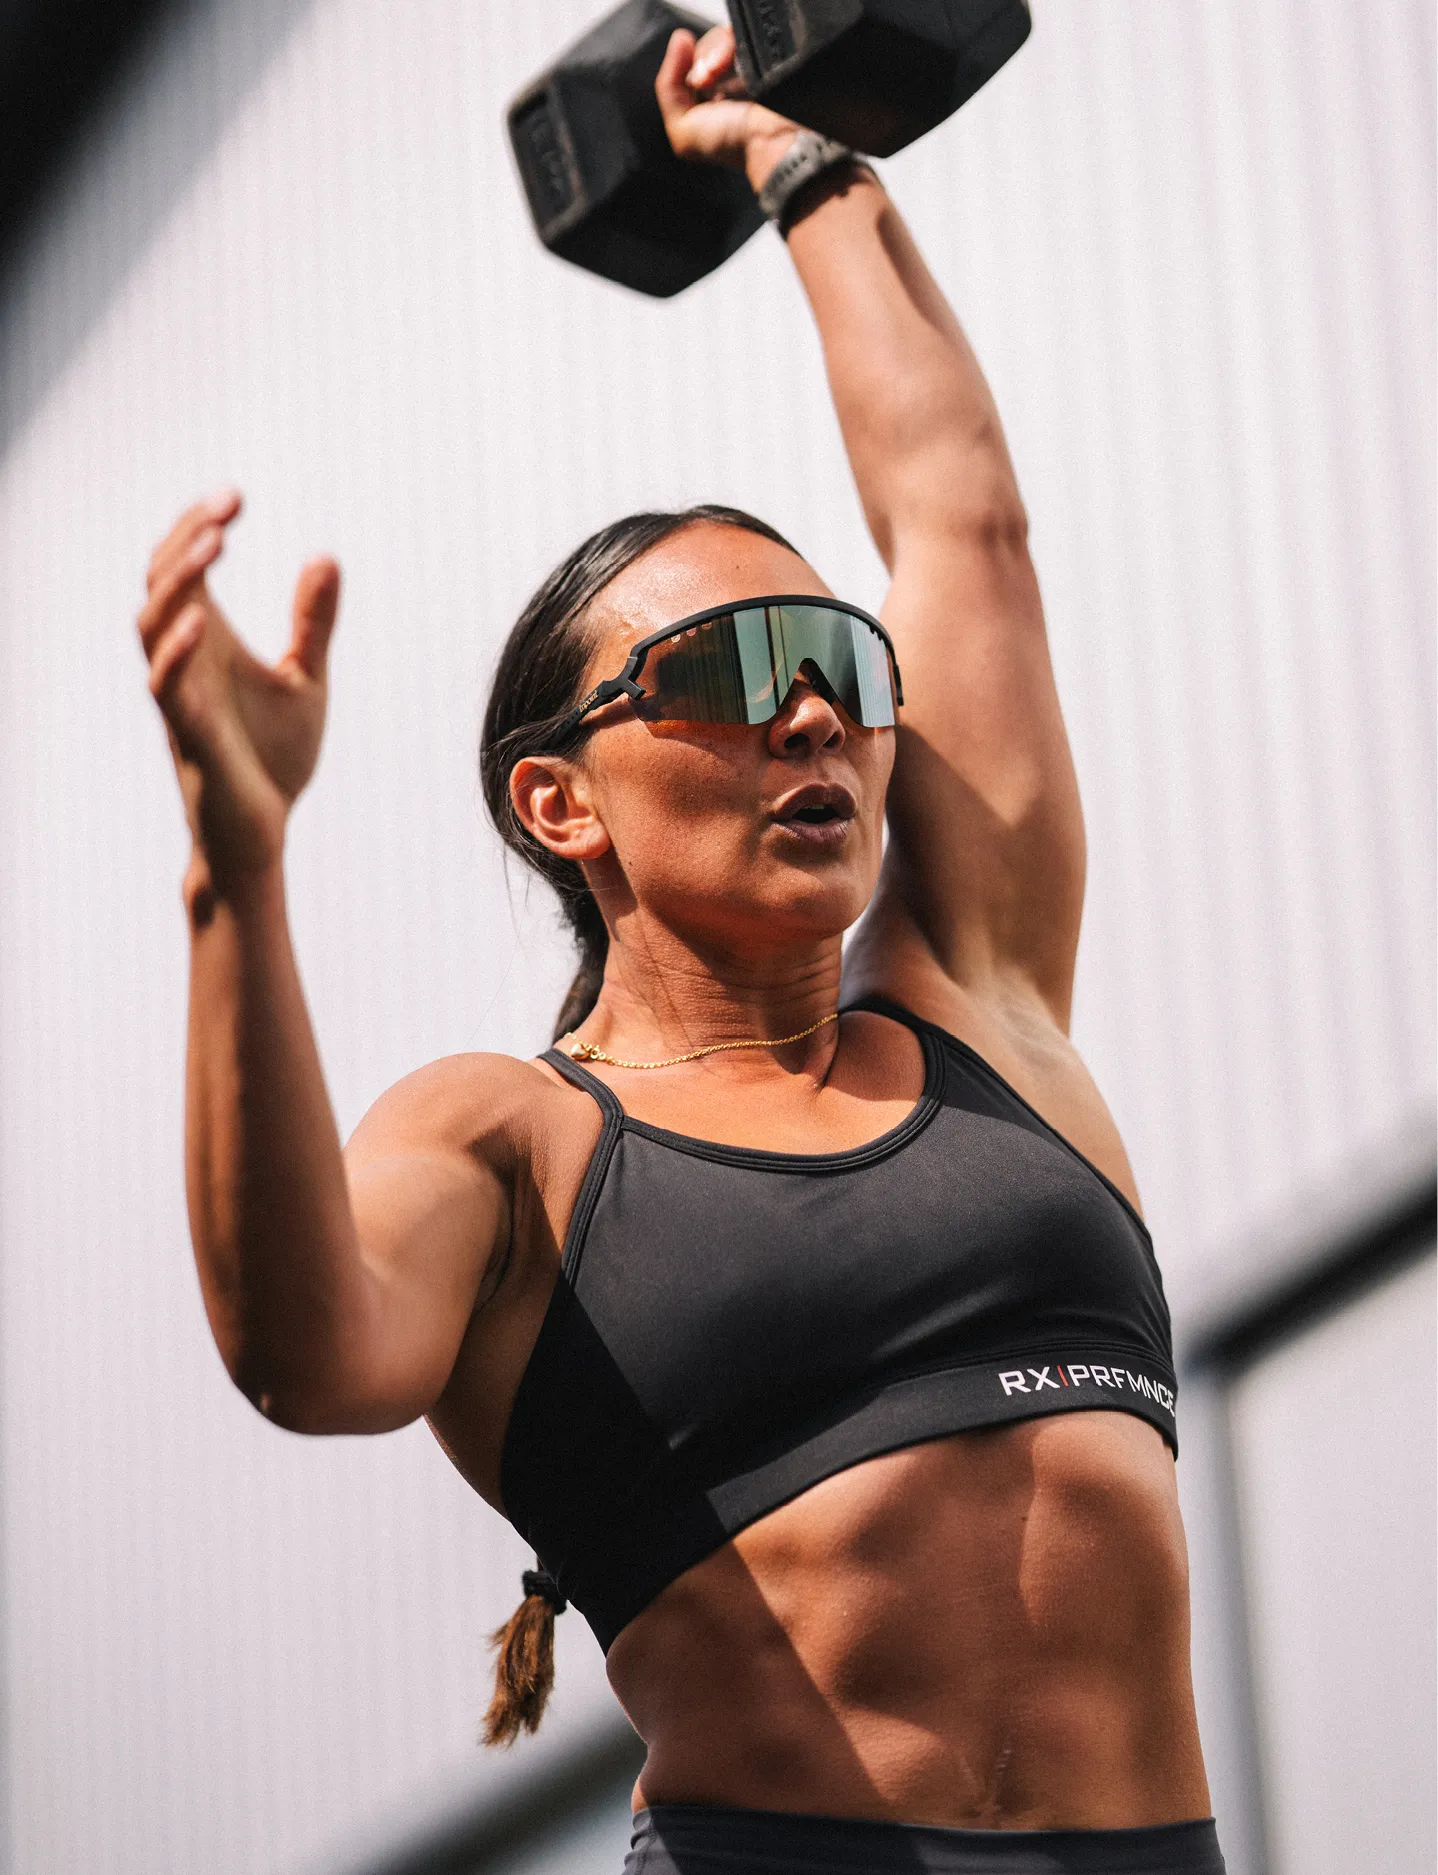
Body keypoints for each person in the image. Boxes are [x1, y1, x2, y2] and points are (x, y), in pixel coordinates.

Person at [136, 24, 1224, 1875]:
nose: (811, 712)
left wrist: (791, 162)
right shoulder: (515, 1143)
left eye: (840, 664)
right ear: (561, 800)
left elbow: (959, 522)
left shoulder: (985, 1002)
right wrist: (237, 875)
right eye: (725, 671)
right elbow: (303, 1356)